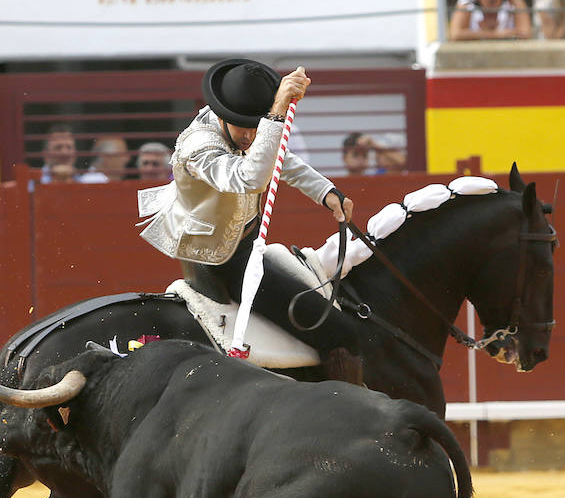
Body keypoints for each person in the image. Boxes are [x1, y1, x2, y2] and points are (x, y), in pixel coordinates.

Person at [136, 58, 363, 381]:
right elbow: (250, 177)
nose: (250, 136)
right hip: (220, 260)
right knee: (340, 332)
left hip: (245, 244)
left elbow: (278, 156)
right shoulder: (199, 147)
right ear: (221, 116)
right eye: (244, 127)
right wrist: (276, 111)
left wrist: (325, 191)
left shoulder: (247, 129)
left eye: (257, 127)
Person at [39, 122, 106, 183]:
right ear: (46, 154)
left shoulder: (88, 180)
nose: (65, 152)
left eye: (69, 147)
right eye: (58, 147)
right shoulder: (34, 182)